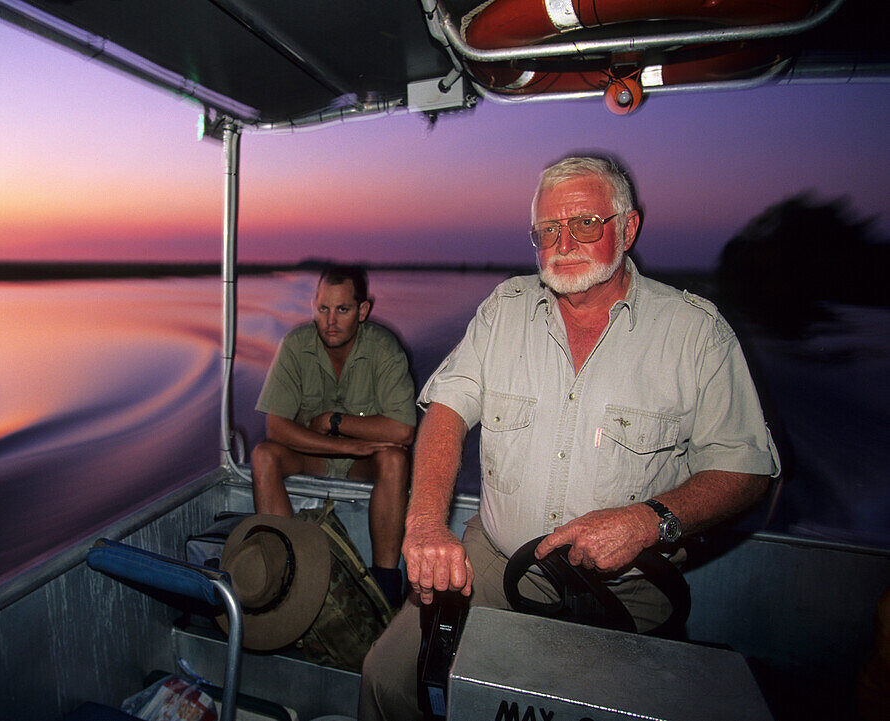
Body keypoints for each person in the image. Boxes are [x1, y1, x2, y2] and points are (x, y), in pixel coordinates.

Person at [359, 156, 780, 720]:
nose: (564, 242)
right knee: (386, 679)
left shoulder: (695, 334)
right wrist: (427, 523)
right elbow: (446, 409)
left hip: (626, 584)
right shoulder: (503, 312)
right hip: (493, 560)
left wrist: (646, 521)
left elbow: (746, 470)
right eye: (548, 230)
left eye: (585, 223)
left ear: (627, 230)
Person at [252, 265, 417, 605]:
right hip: (312, 458)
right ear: (314, 306)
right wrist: (341, 445)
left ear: (363, 311)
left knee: (395, 459)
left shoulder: (384, 347)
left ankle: (385, 585)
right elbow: (276, 427)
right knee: (263, 455)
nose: (331, 320)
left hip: (363, 464)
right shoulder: (296, 345)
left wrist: (334, 421)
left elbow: (402, 429)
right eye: (324, 308)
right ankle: (287, 570)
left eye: (342, 309)